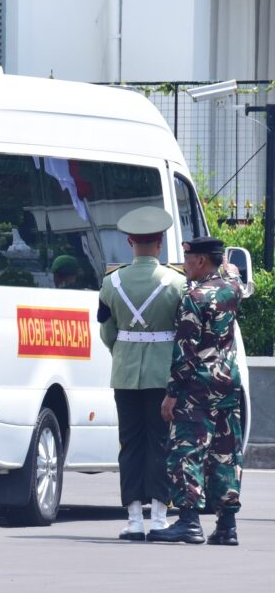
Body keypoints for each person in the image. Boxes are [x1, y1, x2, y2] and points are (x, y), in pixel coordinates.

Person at [97, 206, 185, 541]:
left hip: (124, 373)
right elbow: (186, 332)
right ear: (160, 244)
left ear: (130, 242)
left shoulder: (111, 283)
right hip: (163, 375)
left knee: (129, 443)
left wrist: (123, 353)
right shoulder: (177, 283)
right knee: (161, 443)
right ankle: (160, 517)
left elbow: (107, 332)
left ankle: (134, 518)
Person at [150, 236, 245, 546]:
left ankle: (189, 521)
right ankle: (226, 525)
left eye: (188, 260)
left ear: (201, 261)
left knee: (186, 451)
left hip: (198, 386)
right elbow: (231, 270)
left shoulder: (196, 297)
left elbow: (185, 351)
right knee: (225, 453)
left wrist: (172, 393)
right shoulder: (232, 289)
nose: (183, 265)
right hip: (227, 382)